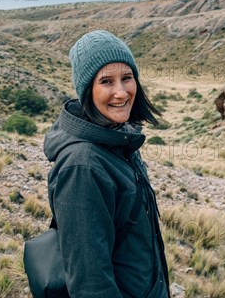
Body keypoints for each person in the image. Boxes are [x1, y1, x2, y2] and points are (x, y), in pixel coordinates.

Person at [43, 30, 170, 298]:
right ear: (87, 90)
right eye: (106, 82)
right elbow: (90, 283)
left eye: (127, 78)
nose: (121, 92)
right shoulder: (82, 166)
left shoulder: (118, 140)